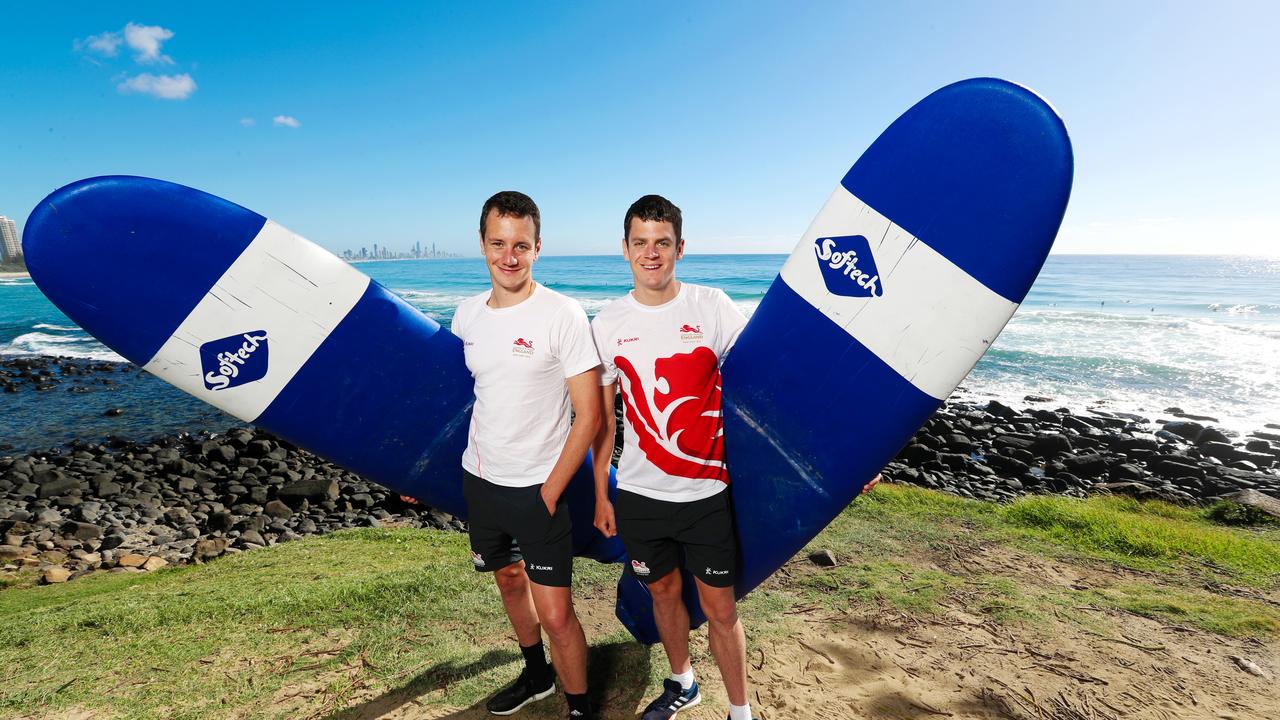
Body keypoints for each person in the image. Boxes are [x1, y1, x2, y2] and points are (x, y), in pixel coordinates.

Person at [589, 194, 757, 720]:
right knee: (662, 592)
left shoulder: (712, 307)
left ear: (680, 248)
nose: (651, 253)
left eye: (662, 243)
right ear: (624, 249)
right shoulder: (608, 322)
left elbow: (766, 385)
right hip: (639, 495)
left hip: (704, 494)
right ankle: (683, 682)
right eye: (640, 243)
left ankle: (740, 710)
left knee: (720, 610)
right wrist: (602, 493)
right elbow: (602, 420)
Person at [451, 190, 602, 719]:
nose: (508, 257)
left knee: (557, 614)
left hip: (539, 488)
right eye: (498, 243)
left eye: (520, 245)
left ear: (538, 247)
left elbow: (591, 415)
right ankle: (536, 675)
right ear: (483, 244)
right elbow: (469, 395)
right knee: (509, 580)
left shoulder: (562, 314)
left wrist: (552, 489)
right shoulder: (466, 315)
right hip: (481, 480)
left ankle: (580, 707)